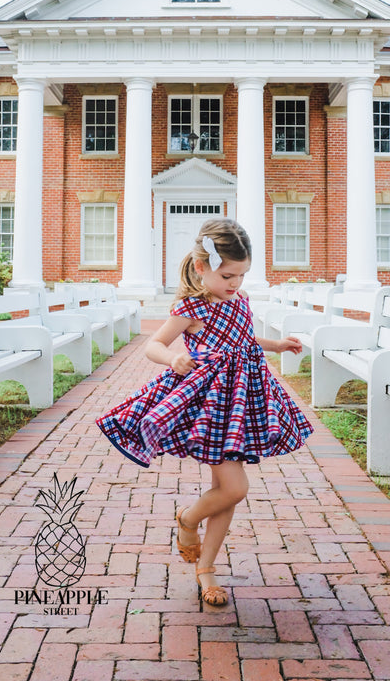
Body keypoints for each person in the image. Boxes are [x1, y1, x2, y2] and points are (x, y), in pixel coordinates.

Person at [96, 218, 313, 606]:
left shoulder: (240, 301)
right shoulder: (191, 307)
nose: (235, 283)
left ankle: (206, 569)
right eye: (228, 275)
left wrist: (276, 346)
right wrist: (173, 358)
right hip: (209, 405)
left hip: (243, 404)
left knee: (227, 492)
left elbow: (243, 338)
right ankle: (187, 520)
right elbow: (154, 345)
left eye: (241, 275)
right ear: (202, 267)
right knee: (234, 487)